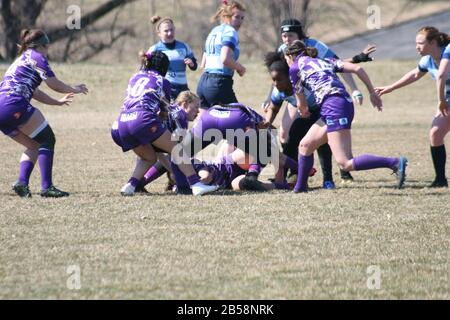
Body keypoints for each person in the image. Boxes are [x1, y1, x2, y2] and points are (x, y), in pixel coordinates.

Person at [263, 18, 376, 186]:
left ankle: (336, 175)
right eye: (284, 36)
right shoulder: (283, 51)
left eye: (290, 35)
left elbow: (335, 63)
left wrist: (357, 68)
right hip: (296, 96)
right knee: (285, 134)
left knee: (325, 137)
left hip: (316, 97)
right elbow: (277, 74)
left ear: (300, 35)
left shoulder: (314, 47)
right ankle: (293, 174)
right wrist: (269, 98)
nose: (287, 39)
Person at [284, 40, 408, 193]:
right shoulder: (324, 61)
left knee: (345, 163)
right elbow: (357, 68)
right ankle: (300, 189)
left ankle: (395, 163)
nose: (287, 63)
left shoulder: (295, 67)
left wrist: (303, 111)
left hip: (333, 106)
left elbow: (301, 103)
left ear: (291, 56)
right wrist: (371, 92)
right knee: (305, 146)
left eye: (286, 60)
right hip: (341, 103)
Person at [111, 51, 218, 196]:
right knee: (178, 150)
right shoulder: (162, 81)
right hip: (141, 119)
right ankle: (196, 184)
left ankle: (131, 185)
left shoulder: (135, 76)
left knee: (149, 157)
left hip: (120, 124)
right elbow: (164, 110)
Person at [0, 29, 88, 198]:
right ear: (42, 45)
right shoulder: (37, 57)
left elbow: (35, 92)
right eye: (47, 46)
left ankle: (22, 183)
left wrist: (57, 102)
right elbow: (53, 84)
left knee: (34, 145)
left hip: (2, 108)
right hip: (14, 103)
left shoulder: (21, 60)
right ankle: (47, 187)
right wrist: (74, 89)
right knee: (47, 139)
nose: (48, 49)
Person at [375, 26, 450, 188]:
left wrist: (441, 100)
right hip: (447, 101)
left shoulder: (448, 51)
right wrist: (390, 87)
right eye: (416, 43)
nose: (417, 47)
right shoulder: (427, 60)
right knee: (435, 134)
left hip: (445, 101)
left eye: (421, 43)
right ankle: (440, 180)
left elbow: (442, 75)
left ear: (433, 42)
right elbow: (414, 74)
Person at [137, 90, 200, 192]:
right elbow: (177, 155)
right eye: (196, 106)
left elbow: (160, 152)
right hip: (147, 130)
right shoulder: (181, 117)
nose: (198, 111)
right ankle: (183, 187)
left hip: (138, 128)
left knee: (154, 157)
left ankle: (137, 184)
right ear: (184, 104)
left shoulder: (173, 112)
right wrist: (180, 175)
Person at [196, 0, 246, 115]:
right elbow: (225, 59)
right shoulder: (230, 32)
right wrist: (240, 68)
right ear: (226, 16)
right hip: (219, 83)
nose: (240, 21)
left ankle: (186, 134)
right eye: (237, 17)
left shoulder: (214, 31)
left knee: (202, 126)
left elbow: (203, 63)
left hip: (203, 83)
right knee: (238, 119)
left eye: (242, 18)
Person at [147, 16, 197, 100]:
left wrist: (191, 64)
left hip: (183, 89)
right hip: (166, 90)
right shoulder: (154, 49)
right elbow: (146, 70)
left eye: (171, 30)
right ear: (159, 33)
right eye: (166, 31)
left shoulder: (184, 47)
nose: (170, 33)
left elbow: (194, 66)